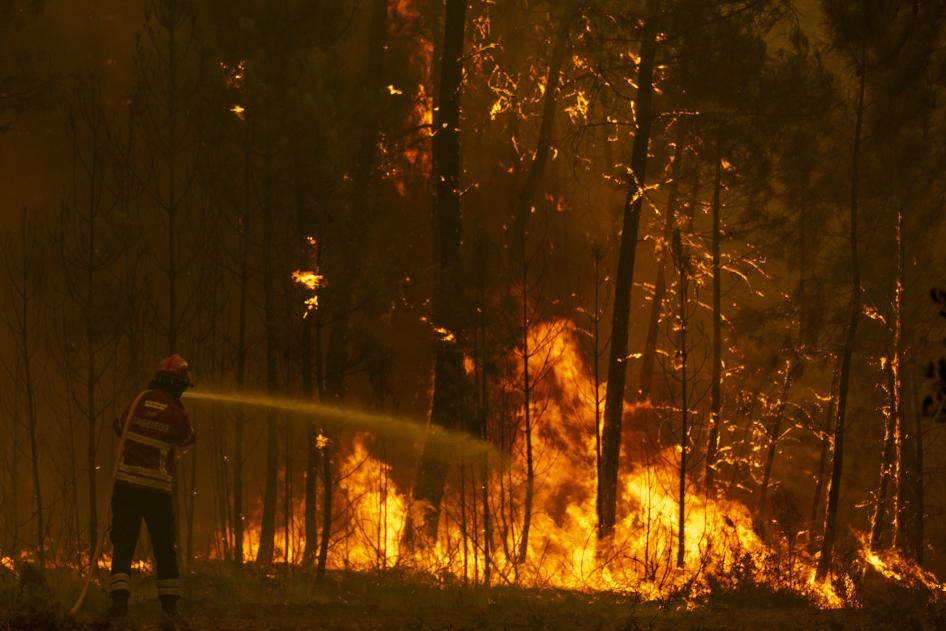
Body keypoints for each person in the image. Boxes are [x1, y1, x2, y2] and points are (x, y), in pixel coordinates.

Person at [108, 354, 195, 618]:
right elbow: (187, 439)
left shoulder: (137, 401)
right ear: (176, 385)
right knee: (163, 547)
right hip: (156, 492)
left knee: (123, 544)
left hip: (125, 487)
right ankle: (169, 607)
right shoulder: (177, 414)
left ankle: (119, 603)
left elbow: (119, 427)